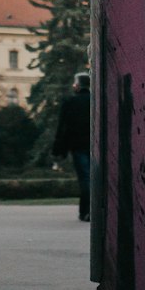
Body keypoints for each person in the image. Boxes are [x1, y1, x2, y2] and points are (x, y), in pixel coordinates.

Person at [52, 72, 91, 221]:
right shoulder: (97, 100)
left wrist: (58, 150)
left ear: (77, 85)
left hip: (78, 146)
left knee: (85, 179)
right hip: (96, 147)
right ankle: (88, 210)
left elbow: (63, 128)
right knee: (93, 177)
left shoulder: (70, 102)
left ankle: (86, 211)